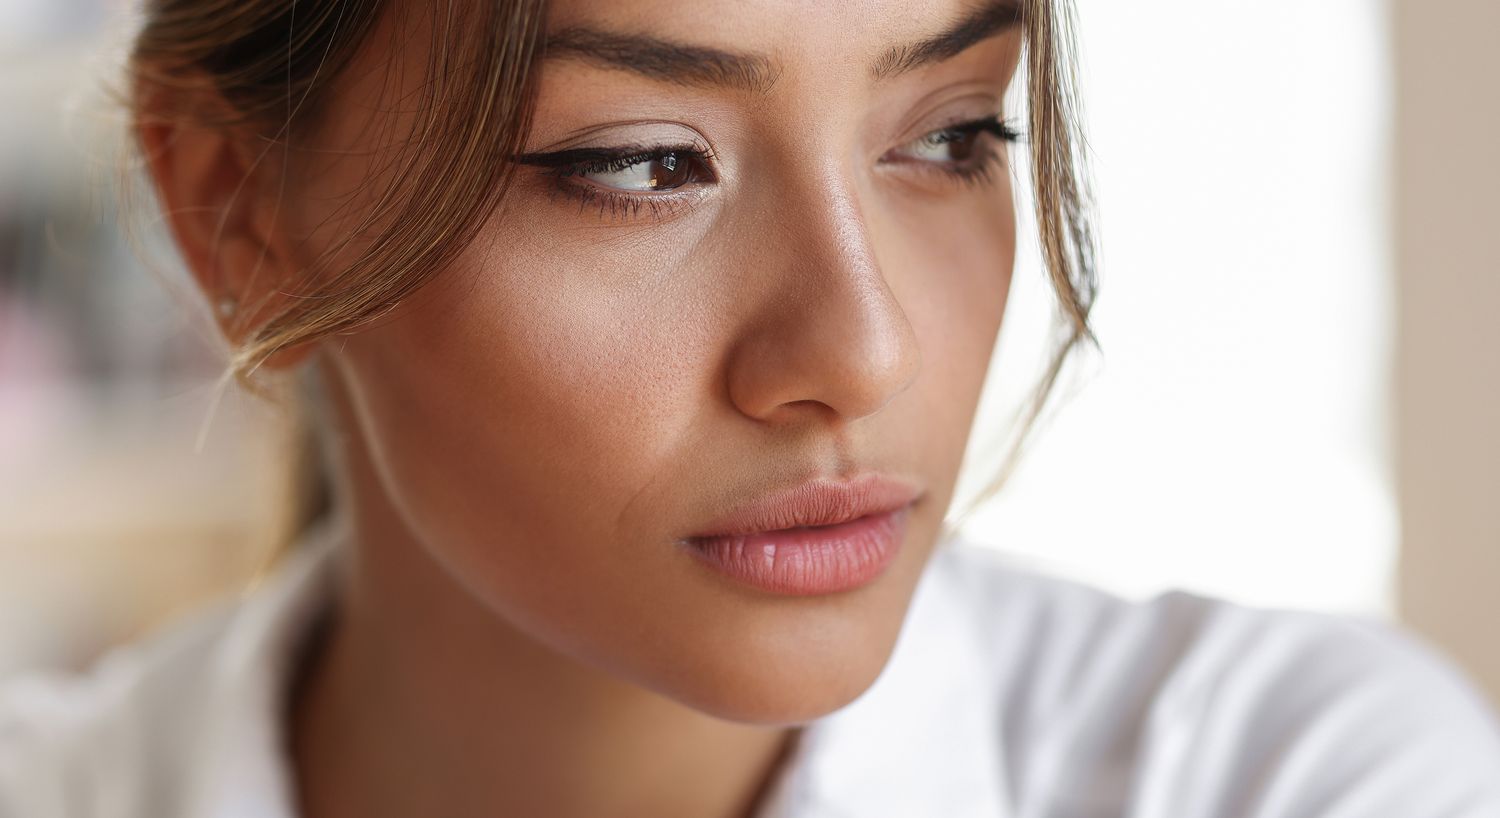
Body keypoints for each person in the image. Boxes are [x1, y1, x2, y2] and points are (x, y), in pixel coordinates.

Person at [4, 0, 1500, 816]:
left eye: (953, 133)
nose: (862, 350)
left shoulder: (1293, 778)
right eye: (649, 162)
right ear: (238, 214)